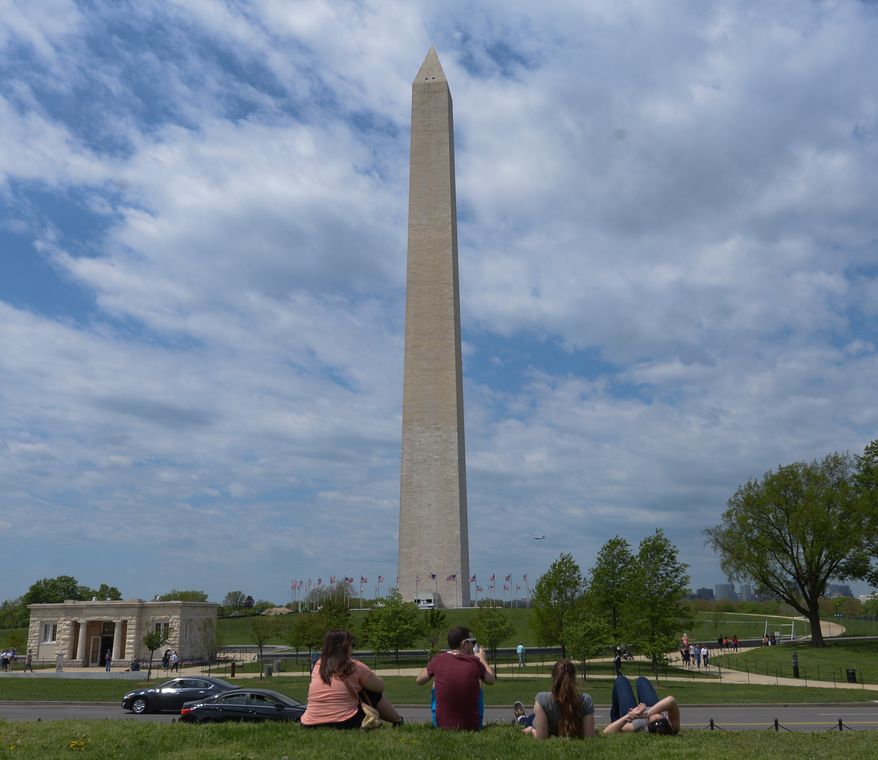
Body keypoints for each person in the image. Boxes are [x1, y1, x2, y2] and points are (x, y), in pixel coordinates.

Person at [301, 629, 402, 728]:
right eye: (351, 645)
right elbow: (380, 687)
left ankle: (397, 720)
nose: (352, 649)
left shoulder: (318, 665)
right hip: (344, 721)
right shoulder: (353, 666)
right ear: (345, 647)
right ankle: (397, 720)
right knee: (371, 692)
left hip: (310, 723)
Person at [416, 625, 495, 730]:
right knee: (478, 680)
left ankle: (440, 717)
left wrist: (434, 665)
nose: (474, 645)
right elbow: (491, 680)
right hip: (472, 726)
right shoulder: (474, 662)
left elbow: (419, 680)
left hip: (441, 726)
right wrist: (481, 659)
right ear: (464, 644)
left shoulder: (439, 659)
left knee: (436, 681)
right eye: (473, 642)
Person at [511, 659, 595, 740]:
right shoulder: (586, 700)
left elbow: (542, 738)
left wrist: (532, 730)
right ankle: (521, 717)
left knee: (528, 720)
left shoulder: (542, 699)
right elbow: (589, 737)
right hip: (541, 717)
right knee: (530, 718)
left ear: (553, 679)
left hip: (538, 720)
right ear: (574, 679)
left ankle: (521, 718)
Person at [604, 675, 680, 735]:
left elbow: (606, 732)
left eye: (654, 719)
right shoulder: (673, 728)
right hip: (652, 706)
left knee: (620, 681)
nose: (657, 716)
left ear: (648, 724)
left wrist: (631, 715)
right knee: (642, 680)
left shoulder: (638, 725)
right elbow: (671, 700)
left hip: (633, 715)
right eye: (661, 717)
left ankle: (614, 718)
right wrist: (646, 714)